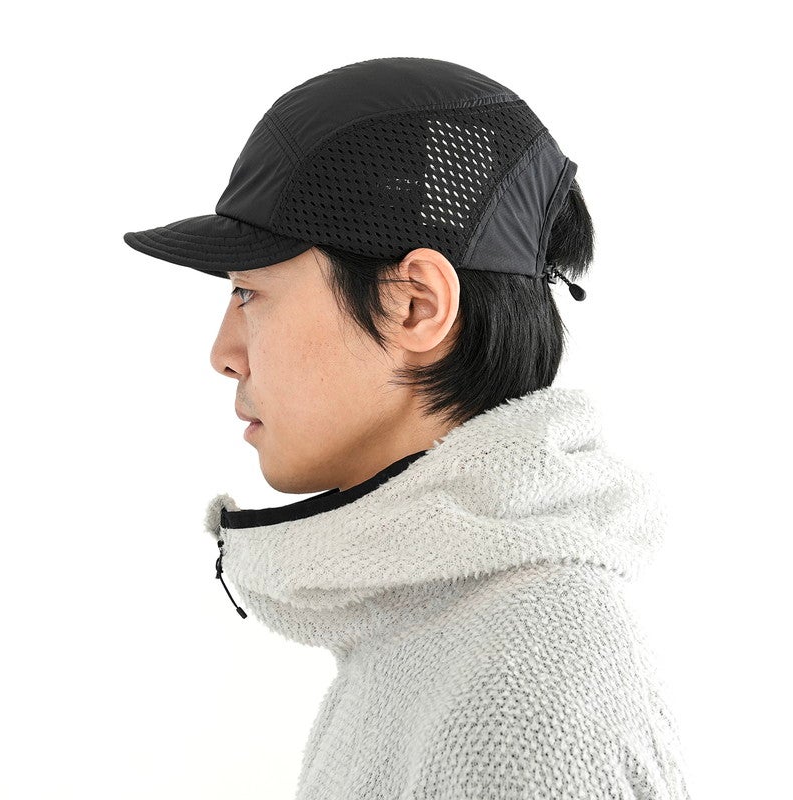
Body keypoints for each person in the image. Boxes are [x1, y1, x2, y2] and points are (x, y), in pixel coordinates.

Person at [124, 57, 692, 800]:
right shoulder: (431, 628)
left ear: (416, 306)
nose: (223, 353)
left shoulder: (524, 689)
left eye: (249, 293)